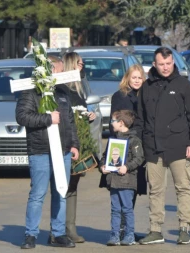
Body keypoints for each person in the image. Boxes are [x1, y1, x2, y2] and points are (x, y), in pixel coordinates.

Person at [135, 47, 190, 245]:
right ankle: (155, 230)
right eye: (161, 64)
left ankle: (184, 227)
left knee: (183, 188)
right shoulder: (147, 86)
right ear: (154, 64)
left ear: (173, 63)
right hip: (153, 147)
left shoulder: (184, 85)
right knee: (155, 190)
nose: (165, 68)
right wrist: (141, 144)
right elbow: (140, 119)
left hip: (179, 146)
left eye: (168, 63)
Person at [17, 61, 80, 249]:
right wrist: (48, 118)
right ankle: (30, 234)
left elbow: (69, 120)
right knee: (37, 194)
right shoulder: (30, 92)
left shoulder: (62, 92)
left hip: (64, 151)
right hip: (40, 150)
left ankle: (58, 234)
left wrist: (74, 144)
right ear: (48, 70)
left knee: (61, 192)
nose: (61, 74)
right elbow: (22, 116)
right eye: (59, 71)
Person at [61, 52, 97, 243]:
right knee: (63, 185)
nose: (82, 66)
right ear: (70, 65)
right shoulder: (62, 90)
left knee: (73, 184)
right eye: (79, 63)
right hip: (65, 144)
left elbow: (79, 115)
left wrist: (89, 116)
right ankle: (60, 228)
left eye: (83, 63)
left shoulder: (79, 90)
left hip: (78, 143)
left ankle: (70, 227)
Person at [100, 110, 145, 246]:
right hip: (113, 181)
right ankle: (114, 235)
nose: (111, 123)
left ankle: (129, 235)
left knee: (127, 209)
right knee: (115, 209)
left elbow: (139, 158)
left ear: (121, 123)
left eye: (113, 121)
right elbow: (105, 156)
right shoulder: (113, 140)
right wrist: (103, 166)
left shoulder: (134, 140)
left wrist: (127, 166)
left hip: (127, 181)